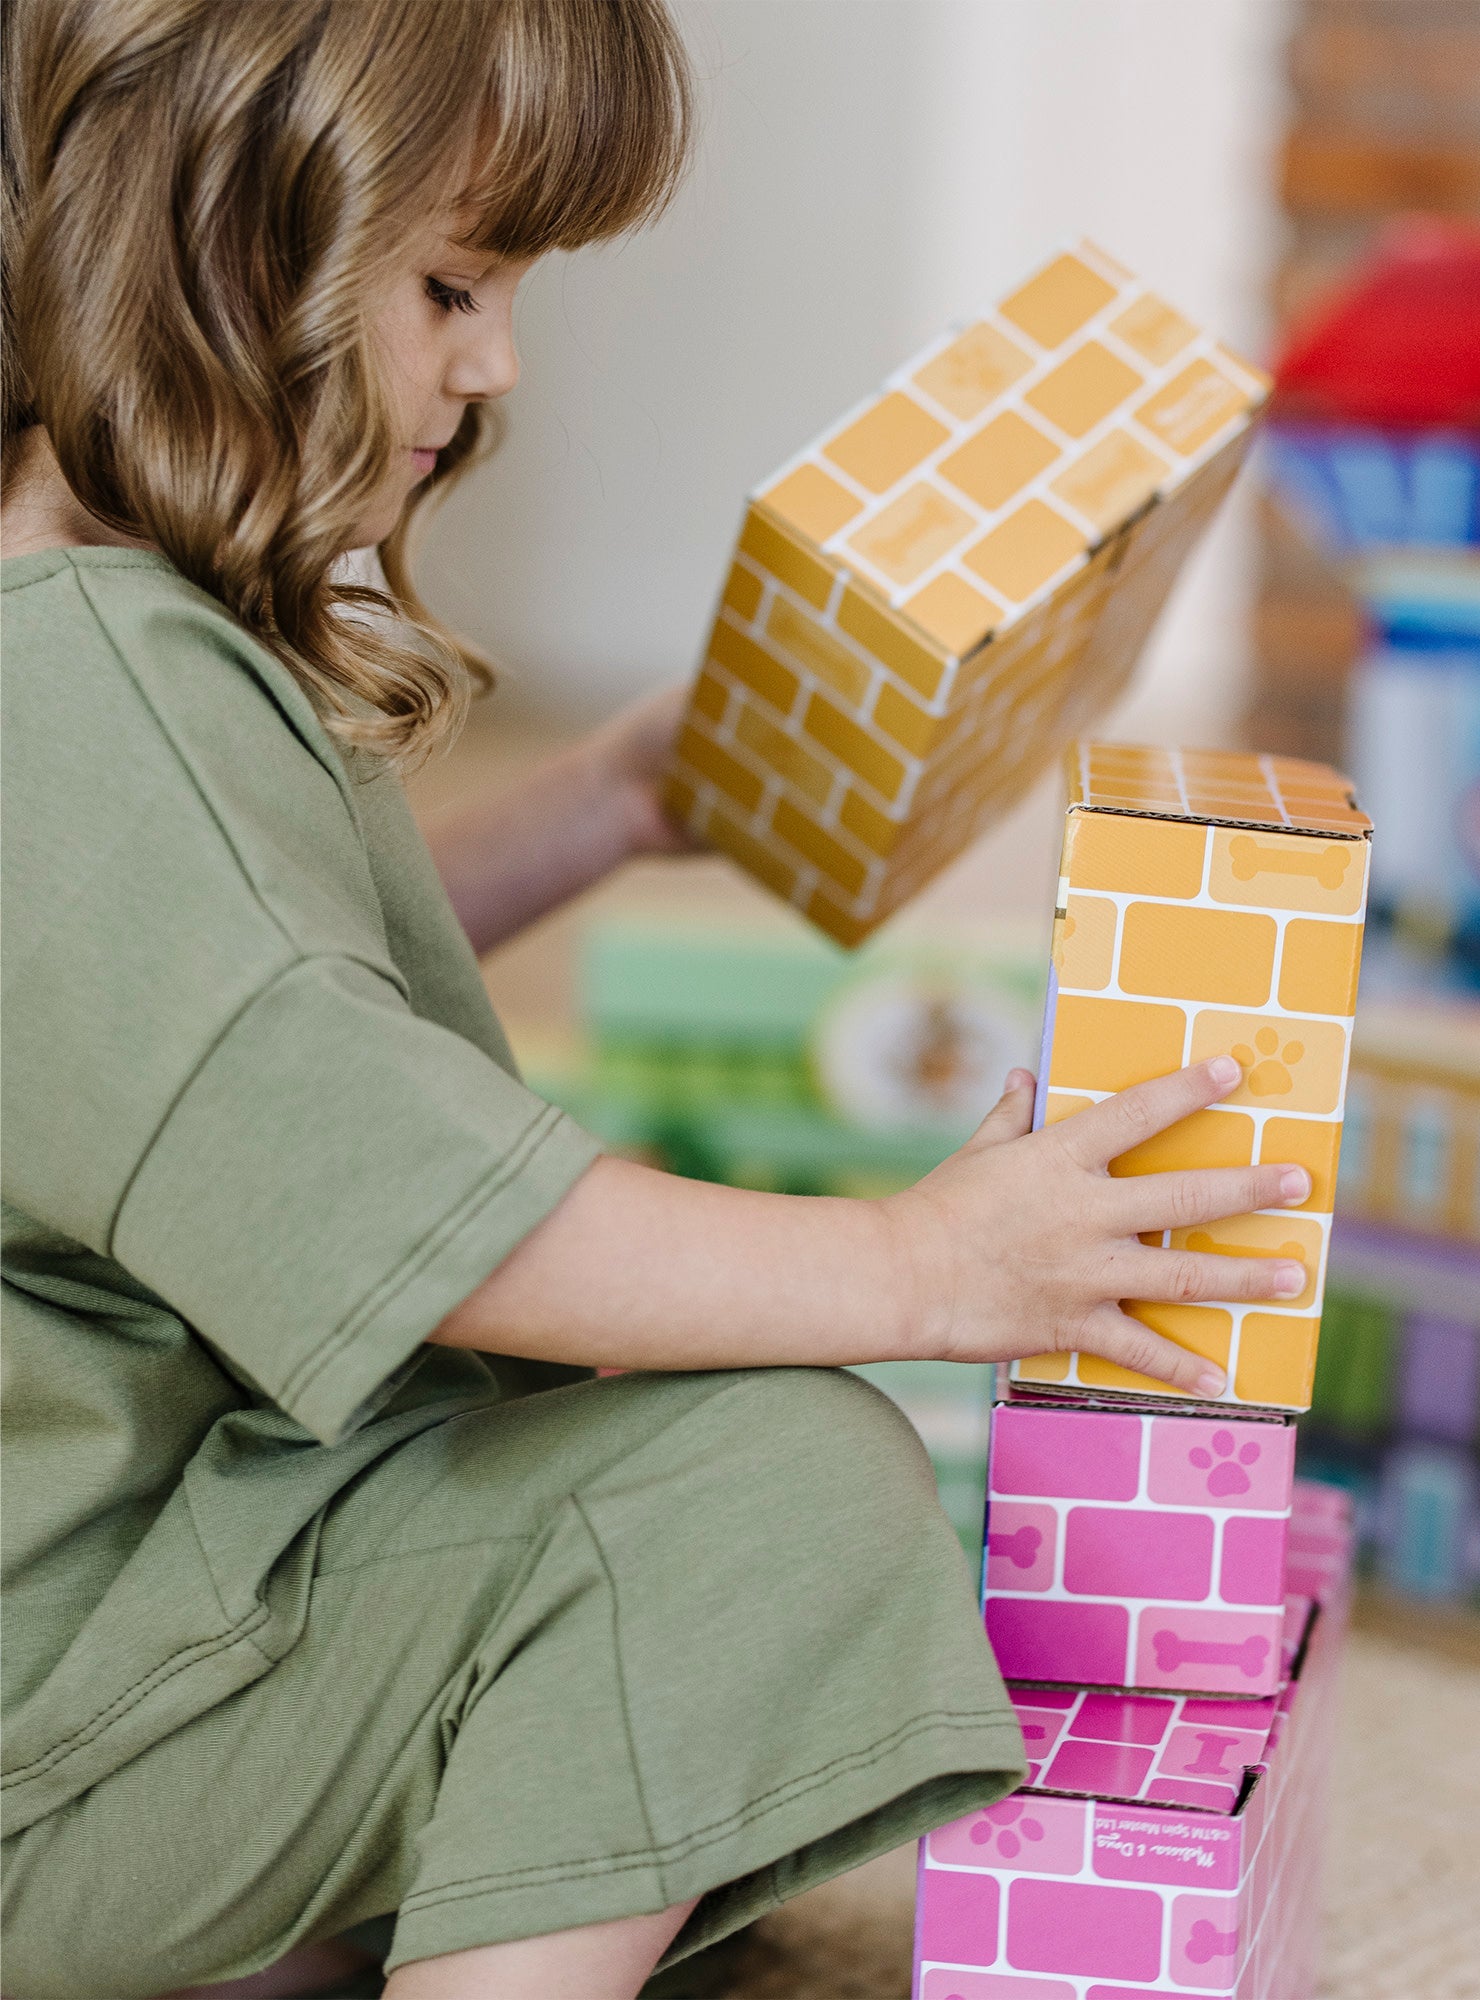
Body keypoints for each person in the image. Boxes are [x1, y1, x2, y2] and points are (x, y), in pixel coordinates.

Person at [0, 4, 1314, 1997]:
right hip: (68, 1733)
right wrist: (919, 1267)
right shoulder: (96, 689)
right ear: (225, 242)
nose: (495, 361)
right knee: (764, 1490)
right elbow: (428, 1224)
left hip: (101, 1668)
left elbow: (240, 1030)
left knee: (638, 1538)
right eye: (451, 282)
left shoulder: (74, 658)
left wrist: (603, 808)